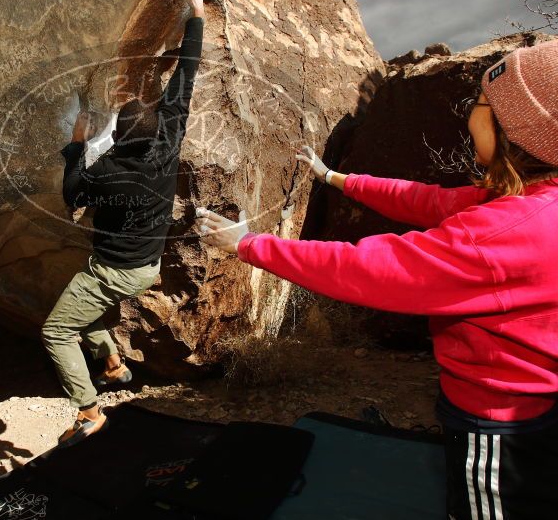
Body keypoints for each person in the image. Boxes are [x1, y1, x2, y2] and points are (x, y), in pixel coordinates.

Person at [195, 40, 558, 519]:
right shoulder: (531, 204)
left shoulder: (500, 234)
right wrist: (335, 178)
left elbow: (370, 269)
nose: (470, 114)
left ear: (517, 129)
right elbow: (426, 200)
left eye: (481, 104)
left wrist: (250, 246)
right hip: (535, 408)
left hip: (496, 421)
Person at [44, 0, 205, 448]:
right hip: (146, 266)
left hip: (111, 272)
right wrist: (196, 18)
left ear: (118, 140)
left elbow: (72, 194)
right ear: (155, 132)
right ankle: (114, 366)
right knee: (85, 316)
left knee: (56, 331)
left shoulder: (107, 172)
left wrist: (76, 144)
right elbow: (185, 80)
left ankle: (90, 412)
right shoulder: (167, 145)